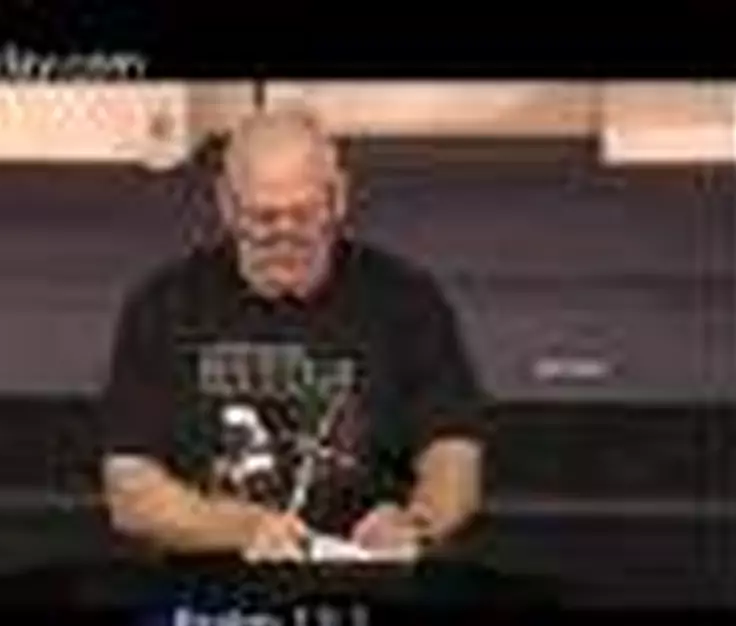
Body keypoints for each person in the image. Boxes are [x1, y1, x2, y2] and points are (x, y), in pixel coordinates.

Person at [99, 106, 485, 564]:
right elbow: (130, 489)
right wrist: (241, 530)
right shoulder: (164, 306)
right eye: (264, 218)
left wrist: (416, 523)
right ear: (226, 205)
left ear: (338, 198)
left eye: (303, 215)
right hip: (216, 577)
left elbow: (453, 451)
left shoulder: (407, 302)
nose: (284, 235)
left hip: (365, 573)